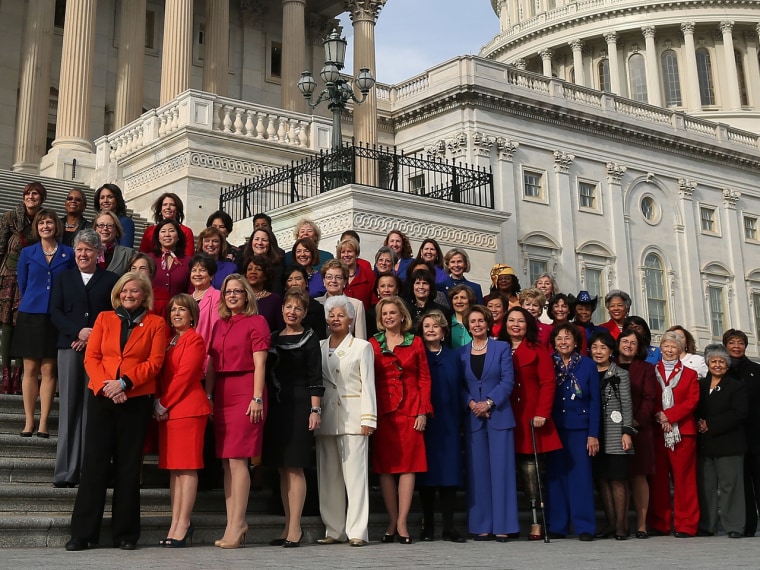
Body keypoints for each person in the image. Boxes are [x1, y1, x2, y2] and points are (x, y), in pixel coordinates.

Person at [65, 272, 166, 551]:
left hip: (135, 399)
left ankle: (125, 534)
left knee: (128, 467)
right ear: (118, 294)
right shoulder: (103, 319)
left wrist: (125, 383)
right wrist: (106, 386)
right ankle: (82, 534)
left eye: (135, 291)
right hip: (102, 396)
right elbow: (92, 357)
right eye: (125, 291)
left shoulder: (156, 323)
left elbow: (154, 362)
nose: (129, 295)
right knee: (94, 465)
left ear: (144, 295)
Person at [50, 229, 119, 488]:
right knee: (69, 408)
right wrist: (76, 332)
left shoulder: (111, 279)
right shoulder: (63, 278)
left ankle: (87, 472)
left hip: (99, 353)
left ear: (98, 253)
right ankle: (65, 472)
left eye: (88, 250)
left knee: (93, 411)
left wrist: (92, 337)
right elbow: (54, 311)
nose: (82, 254)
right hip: (69, 348)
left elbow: (114, 314)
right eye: (79, 249)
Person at [206, 274, 270, 548]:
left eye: (238, 291)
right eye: (228, 291)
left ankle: (238, 522)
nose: (232, 295)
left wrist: (256, 398)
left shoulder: (257, 321)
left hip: (246, 389)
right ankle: (233, 523)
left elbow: (260, 364)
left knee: (238, 459)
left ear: (247, 295)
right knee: (226, 461)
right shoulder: (220, 324)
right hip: (222, 391)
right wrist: (208, 395)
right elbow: (211, 363)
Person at [370, 296, 433, 544]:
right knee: (385, 469)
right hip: (384, 412)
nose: (388, 317)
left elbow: (425, 379)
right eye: (385, 313)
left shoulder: (415, 342)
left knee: (408, 468)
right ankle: (392, 521)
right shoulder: (372, 344)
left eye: (393, 313)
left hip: (410, 410)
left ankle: (404, 523)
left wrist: (422, 412)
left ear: (402, 316)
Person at [263, 290, 323, 548]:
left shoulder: (310, 339)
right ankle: (287, 525)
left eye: (297, 309)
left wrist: (315, 410)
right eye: (288, 307)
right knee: (282, 467)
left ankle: (296, 527)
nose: (292, 312)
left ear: (304, 313)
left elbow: (315, 377)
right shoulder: (274, 338)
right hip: (278, 407)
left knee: (295, 466)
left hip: (301, 406)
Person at [316, 295, 376, 547]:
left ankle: (357, 531)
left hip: (354, 417)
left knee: (356, 476)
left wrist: (368, 417)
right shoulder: (318, 346)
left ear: (351, 319)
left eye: (341, 315)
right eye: (332, 315)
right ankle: (334, 529)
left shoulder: (362, 346)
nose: (335, 319)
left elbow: (368, 384)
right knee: (328, 478)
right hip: (327, 417)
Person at [154, 293, 211, 547]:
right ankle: (174, 522)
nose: (176, 313)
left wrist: (163, 402)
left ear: (192, 316)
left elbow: (185, 376)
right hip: (170, 411)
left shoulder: (194, 340)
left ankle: (183, 523)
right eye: (173, 310)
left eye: (182, 310)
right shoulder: (170, 340)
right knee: (175, 471)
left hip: (188, 409)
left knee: (186, 469)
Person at [13, 209, 75, 437]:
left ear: (56, 226)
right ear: (36, 227)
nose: (45, 226)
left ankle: (43, 422)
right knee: (30, 369)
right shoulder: (28, 252)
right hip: (31, 315)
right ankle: (29, 421)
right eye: (41, 223)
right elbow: (23, 283)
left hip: (56, 317)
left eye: (49, 222)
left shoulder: (68, 254)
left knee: (49, 369)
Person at [459, 304, 519, 541]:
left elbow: (508, 380)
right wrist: (472, 403)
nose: (477, 325)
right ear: (468, 325)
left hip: (499, 415)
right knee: (478, 474)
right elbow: (460, 385)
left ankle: (504, 525)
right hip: (473, 418)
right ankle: (481, 524)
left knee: (502, 472)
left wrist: (489, 402)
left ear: (488, 322)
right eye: (472, 321)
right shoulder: (460, 353)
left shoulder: (501, 347)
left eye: (481, 321)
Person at [502, 306, 561, 540]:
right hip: (506, 413)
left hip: (530, 414)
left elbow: (548, 382)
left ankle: (537, 519)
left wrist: (542, 413)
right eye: (511, 320)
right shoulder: (498, 346)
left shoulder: (537, 349)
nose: (515, 324)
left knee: (531, 469)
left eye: (521, 321)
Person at [545, 322, 600, 541]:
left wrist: (593, 433)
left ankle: (584, 526)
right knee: (555, 478)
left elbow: (595, 401)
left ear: (576, 342)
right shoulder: (549, 363)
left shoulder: (587, 365)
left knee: (581, 478)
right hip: (555, 427)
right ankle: (557, 525)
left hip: (580, 427)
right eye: (559, 338)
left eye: (567, 338)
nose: (563, 342)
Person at [418, 310, 466, 542]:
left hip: (449, 421)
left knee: (449, 475)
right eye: (426, 325)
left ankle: (449, 526)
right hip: (425, 421)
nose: (430, 329)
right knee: (427, 477)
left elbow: (461, 387)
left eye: (435, 326)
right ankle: (428, 526)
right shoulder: (418, 355)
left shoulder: (454, 357)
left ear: (444, 331)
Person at [647, 331, 700, 538]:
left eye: (673, 347)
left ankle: (686, 524)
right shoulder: (651, 372)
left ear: (681, 350)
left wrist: (669, 416)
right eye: (666, 346)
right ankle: (660, 523)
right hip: (658, 431)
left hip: (682, 433)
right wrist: (659, 416)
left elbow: (691, 401)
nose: (669, 350)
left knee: (684, 480)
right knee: (659, 480)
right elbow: (648, 396)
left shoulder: (690, 374)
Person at [695, 343, 748, 539]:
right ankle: (708, 525)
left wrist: (711, 424)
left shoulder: (736, 386)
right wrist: (700, 424)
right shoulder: (700, 384)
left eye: (721, 361)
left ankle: (734, 526)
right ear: (707, 363)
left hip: (729, 443)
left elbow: (740, 413)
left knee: (730, 487)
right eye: (713, 361)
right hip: (705, 444)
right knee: (706, 486)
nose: (717, 365)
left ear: (727, 364)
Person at [0, 182, 45, 394]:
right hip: (8, 276)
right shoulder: (10, 217)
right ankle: (6, 373)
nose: (31, 197)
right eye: (28, 193)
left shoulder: (44, 220)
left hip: (31, 278)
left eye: (35, 194)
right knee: (6, 324)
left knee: (22, 325)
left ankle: (19, 374)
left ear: (41, 198)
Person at [589, 332, 635, 540]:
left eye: (603, 348)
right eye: (595, 347)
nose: (598, 352)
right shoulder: (588, 370)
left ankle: (621, 525)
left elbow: (627, 404)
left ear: (611, 351)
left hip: (616, 431)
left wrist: (627, 432)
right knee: (603, 479)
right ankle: (610, 523)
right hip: (596, 431)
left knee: (618, 479)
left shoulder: (620, 373)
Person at [616, 328, 658, 539]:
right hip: (613, 429)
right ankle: (619, 524)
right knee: (617, 476)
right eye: (625, 341)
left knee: (639, 475)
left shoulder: (646, 369)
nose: (629, 346)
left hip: (639, 428)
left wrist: (635, 421)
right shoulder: (609, 364)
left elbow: (650, 398)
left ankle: (641, 524)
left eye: (633, 343)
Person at [723, 329, 760, 537]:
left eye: (740, 343)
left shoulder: (756, 370)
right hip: (734, 438)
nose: (736, 346)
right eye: (732, 343)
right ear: (726, 345)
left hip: (756, 434)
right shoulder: (721, 371)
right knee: (742, 484)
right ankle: (746, 526)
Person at [147, 219, 191, 321]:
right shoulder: (148, 259)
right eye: (163, 231)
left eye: (171, 231)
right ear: (158, 237)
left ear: (178, 236)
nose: (167, 234)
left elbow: (190, 290)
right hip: (151, 313)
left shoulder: (187, 261)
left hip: (178, 315)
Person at [316, 260, 367, 340]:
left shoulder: (356, 305)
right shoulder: (315, 304)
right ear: (323, 281)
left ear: (345, 281)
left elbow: (361, 339)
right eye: (329, 277)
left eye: (338, 277)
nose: (333, 281)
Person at [138, 192, 195, 257]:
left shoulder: (186, 231)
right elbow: (143, 254)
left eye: (172, 205)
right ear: (160, 209)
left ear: (177, 209)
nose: (168, 207)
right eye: (165, 204)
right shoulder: (150, 230)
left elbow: (189, 257)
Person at [243, 254, 284, 333]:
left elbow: (280, 329)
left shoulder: (274, 299)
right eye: (249, 269)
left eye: (258, 269)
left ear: (266, 275)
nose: (253, 272)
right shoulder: (239, 298)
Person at [284, 265, 326, 340]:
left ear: (306, 282)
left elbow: (321, 338)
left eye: (298, 279)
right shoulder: (279, 305)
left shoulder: (317, 307)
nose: (294, 283)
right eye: (289, 280)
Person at [241, 227, 284, 294]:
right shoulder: (242, 263)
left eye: (264, 240)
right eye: (256, 239)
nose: (260, 243)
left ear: (270, 244)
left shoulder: (278, 268)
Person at [339, 237, 375, 310]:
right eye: (343, 252)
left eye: (349, 251)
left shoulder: (369, 275)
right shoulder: (336, 276)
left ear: (356, 253)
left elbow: (374, 302)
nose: (346, 255)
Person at [93, 211, 134, 276]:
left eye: (110, 226)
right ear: (95, 229)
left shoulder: (128, 254)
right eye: (101, 225)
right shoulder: (85, 251)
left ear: (117, 230)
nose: (105, 228)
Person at [94, 184, 135, 248]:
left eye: (110, 197)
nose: (105, 201)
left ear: (117, 200)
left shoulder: (125, 222)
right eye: (102, 197)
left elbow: (125, 250)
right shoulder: (95, 221)